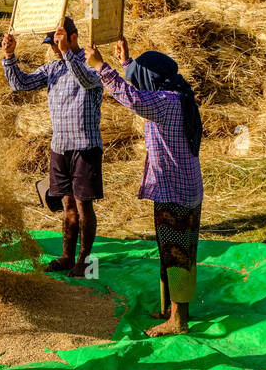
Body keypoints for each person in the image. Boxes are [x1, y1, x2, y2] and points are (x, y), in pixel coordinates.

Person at [85, 38, 204, 336]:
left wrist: (101, 67)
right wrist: (126, 62)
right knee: (180, 252)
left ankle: (178, 320)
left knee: (175, 253)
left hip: (173, 192)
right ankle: (170, 307)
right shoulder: (178, 95)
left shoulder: (164, 102)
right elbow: (138, 88)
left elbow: (133, 98)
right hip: (188, 188)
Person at [1, 16, 103, 277]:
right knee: (67, 204)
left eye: (58, 43)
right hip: (60, 147)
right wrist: (10, 56)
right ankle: (67, 256)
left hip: (85, 146)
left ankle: (85, 261)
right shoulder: (52, 68)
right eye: (52, 45)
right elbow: (19, 84)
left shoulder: (92, 62)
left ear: (73, 37)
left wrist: (69, 54)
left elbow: (86, 80)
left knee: (83, 206)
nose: (55, 49)